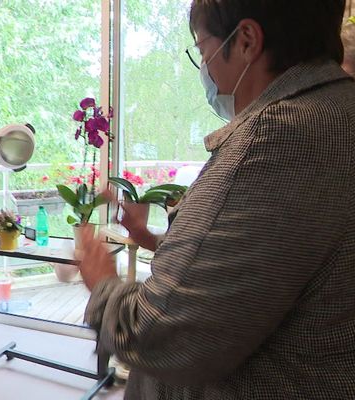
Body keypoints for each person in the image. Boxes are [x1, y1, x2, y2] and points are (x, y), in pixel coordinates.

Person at [77, 1, 355, 398]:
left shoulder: (277, 139)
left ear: (245, 41)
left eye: (202, 49)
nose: (204, 67)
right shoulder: (338, 112)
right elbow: (266, 269)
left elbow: (160, 335)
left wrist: (102, 280)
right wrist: (156, 239)